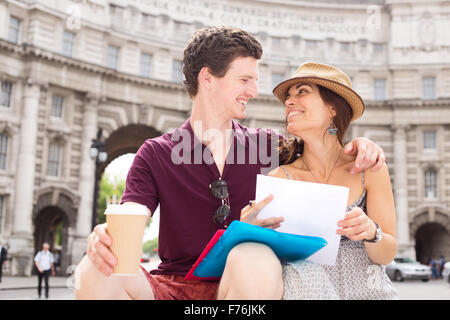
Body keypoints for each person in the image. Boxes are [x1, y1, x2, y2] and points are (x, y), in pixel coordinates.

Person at [75, 27, 386, 300]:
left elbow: (324, 148)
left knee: (257, 259)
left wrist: (361, 145)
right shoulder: (155, 153)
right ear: (208, 78)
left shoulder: (270, 145)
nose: (253, 91)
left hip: (243, 285)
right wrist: (104, 237)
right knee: (94, 268)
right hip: (171, 287)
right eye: (244, 79)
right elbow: (131, 217)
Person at [257, 62, 398, 299]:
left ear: (333, 108)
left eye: (302, 92)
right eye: (288, 97)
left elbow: (387, 254)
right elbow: (268, 261)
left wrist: (371, 231)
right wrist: (252, 230)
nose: (289, 101)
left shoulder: (368, 168)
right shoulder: (280, 179)